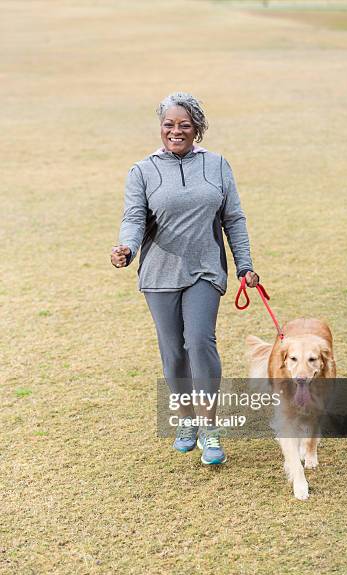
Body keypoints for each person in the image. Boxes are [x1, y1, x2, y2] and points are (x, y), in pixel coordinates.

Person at [111, 92, 259, 465]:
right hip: (159, 274)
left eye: (184, 125)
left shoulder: (217, 166)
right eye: (168, 125)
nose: (175, 132)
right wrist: (126, 249)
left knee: (199, 342)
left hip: (205, 270)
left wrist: (244, 265)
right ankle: (186, 420)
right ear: (160, 128)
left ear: (197, 129)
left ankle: (210, 428)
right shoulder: (142, 171)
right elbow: (133, 219)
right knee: (174, 353)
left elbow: (234, 219)